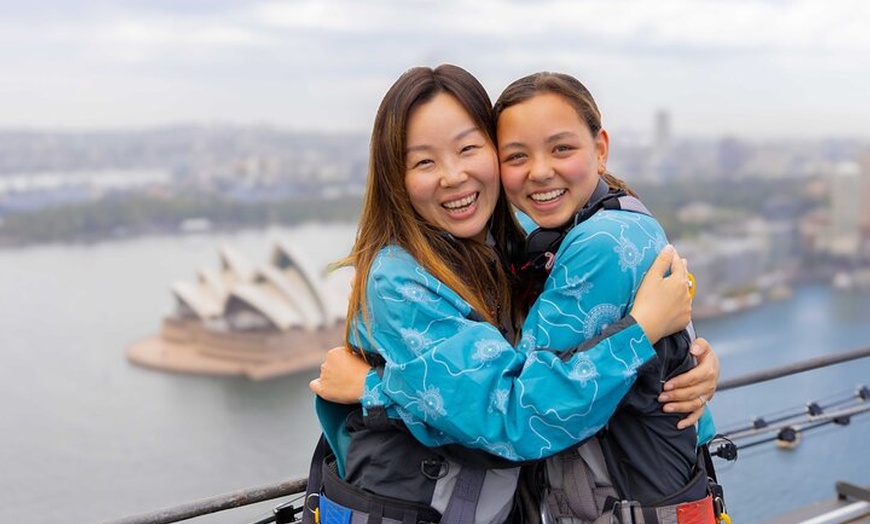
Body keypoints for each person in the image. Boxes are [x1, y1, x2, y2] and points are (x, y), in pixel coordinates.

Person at [305, 64, 718, 524]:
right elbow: (509, 418)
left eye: (468, 149)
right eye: (424, 161)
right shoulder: (399, 280)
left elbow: (622, 291)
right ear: (393, 176)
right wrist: (641, 334)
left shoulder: (515, 238)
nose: (453, 175)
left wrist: (683, 353)